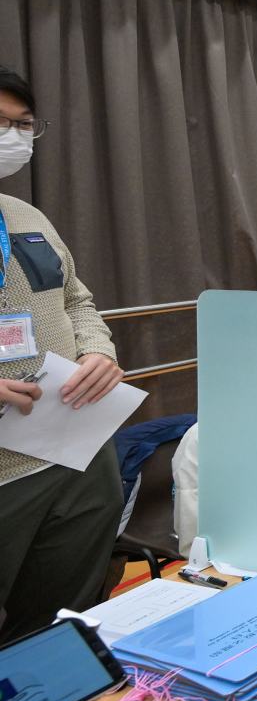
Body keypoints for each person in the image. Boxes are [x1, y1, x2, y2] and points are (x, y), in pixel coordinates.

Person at [0, 65, 127, 644]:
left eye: (23, 125)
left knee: (58, 617)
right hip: (6, 466)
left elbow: (76, 300)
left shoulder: (27, 217)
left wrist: (98, 352)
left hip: (75, 442)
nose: (13, 137)